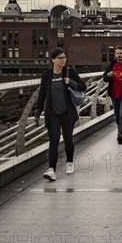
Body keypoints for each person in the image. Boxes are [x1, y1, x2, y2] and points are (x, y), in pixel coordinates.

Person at [34, 47, 86, 181]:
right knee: (54, 141)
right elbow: (42, 95)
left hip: (67, 113)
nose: (63, 60)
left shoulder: (70, 72)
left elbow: (83, 86)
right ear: (53, 60)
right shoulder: (47, 75)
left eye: (64, 58)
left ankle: (69, 162)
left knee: (68, 139)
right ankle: (51, 169)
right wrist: (37, 112)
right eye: (60, 58)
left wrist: (71, 82)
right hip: (52, 114)